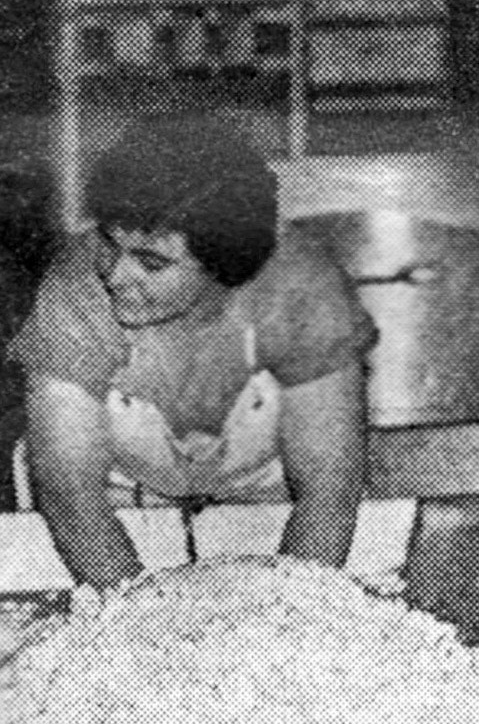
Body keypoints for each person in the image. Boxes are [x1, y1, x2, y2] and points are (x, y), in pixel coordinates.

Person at [11, 116, 374, 588]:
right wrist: (143, 624)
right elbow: (69, 489)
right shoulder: (76, 283)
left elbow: (328, 486)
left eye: (152, 262)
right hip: (116, 500)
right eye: (111, 245)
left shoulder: (302, 283)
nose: (117, 276)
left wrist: (293, 615)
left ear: (225, 265)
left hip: (269, 498)